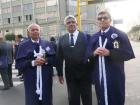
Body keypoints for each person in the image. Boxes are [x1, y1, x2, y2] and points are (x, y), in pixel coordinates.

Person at [90, 11, 135, 105]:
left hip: (115, 76)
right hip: (100, 77)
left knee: (116, 98)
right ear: (97, 22)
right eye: (99, 18)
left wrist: (110, 53)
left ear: (110, 20)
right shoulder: (94, 37)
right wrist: (94, 53)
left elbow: (128, 54)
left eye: (105, 18)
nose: (102, 19)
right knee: (101, 99)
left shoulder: (120, 35)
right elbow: (87, 55)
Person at [16, 23, 56, 105]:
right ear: (28, 32)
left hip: (46, 78)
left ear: (40, 31)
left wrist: (45, 60)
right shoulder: (23, 46)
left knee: (46, 99)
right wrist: (33, 62)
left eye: (37, 29)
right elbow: (19, 64)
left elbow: (54, 59)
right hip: (31, 79)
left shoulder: (47, 44)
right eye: (32, 30)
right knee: (32, 100)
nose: (35, 31)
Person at [56, 15, 92, 105]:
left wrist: (93, 73)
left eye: (73, 22)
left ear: (77, 24)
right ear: (66, 25)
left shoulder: (86, 37)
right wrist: (60, 74)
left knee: (87, 98)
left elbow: (92, 56)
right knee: (72, 98)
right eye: (68, 23)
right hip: (70, 74)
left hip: (85, 73)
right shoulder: (62, 39)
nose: (71, 24)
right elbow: (59, 58)